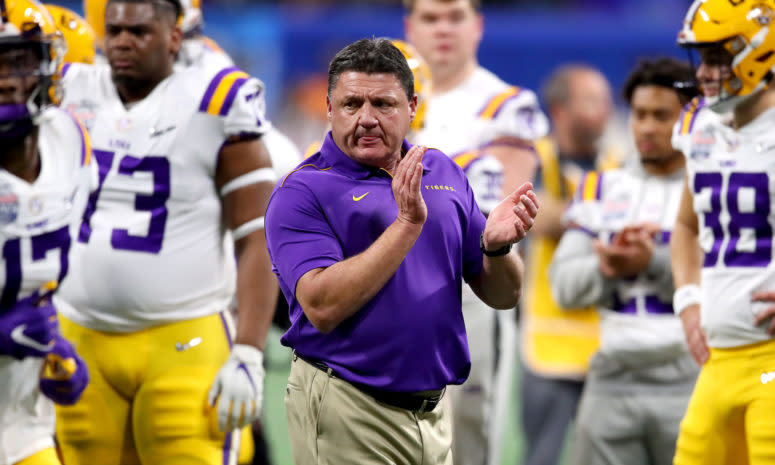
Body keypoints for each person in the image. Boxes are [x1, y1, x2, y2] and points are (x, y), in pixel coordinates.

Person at [265, 38, 538, 465]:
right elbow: (321, 305)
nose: (367, 118)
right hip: (349, 403)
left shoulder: (443, 170)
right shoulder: (302, 190)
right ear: (330, 107)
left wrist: (496, 248)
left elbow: (504, 295)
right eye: (352, 103)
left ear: (413, 106)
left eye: (384, 104)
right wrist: (406, 225)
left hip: (432, 412)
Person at [53, 0, 278, 464]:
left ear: (175, 36)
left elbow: (258, 234)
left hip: (183, 340)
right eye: (114, 30)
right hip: (79, 335)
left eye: (139, 31)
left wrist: (250, 351)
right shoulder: (68, 88)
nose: (122, 42)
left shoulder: (215, 99)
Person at [404, 2, 548, 463]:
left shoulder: (504, 103)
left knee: (468, 436)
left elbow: (503, 214)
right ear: (409, 26)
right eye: (430, 17)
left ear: (478, 25)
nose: (443, 28)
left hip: (469, 290)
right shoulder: (383, 95)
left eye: (455, 15)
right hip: (387, 286)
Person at [549, 57, 700, 465]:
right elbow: (563, 287)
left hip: (691, 378)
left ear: (690, 119)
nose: (647, 127)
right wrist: (607, 266)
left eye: (661, 115)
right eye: (639, 114)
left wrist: (651, 261)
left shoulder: (709, 187)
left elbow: (720, 288)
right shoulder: (601, 186)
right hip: (610, 378)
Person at [671, 1, 775, 464]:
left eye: (718, 57)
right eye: (704, 59)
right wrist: (688, 299)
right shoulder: (699, 125)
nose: (707, 73)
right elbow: (686, 224)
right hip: (719, 359)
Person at [0, 1, 92, 463]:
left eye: (16, 61)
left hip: (19, 419)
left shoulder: (66, 141)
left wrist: (52, 345)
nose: (5, 80)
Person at [520, 64, 616, 465]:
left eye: (606, 101)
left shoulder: (616, 162)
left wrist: (569, 213)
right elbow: (534, 218)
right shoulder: (533, 158)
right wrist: (599, 214)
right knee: (541, 455)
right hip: (547, 344)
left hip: (606, 346)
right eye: (592, 100)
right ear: (559, 110)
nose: (605, 111)